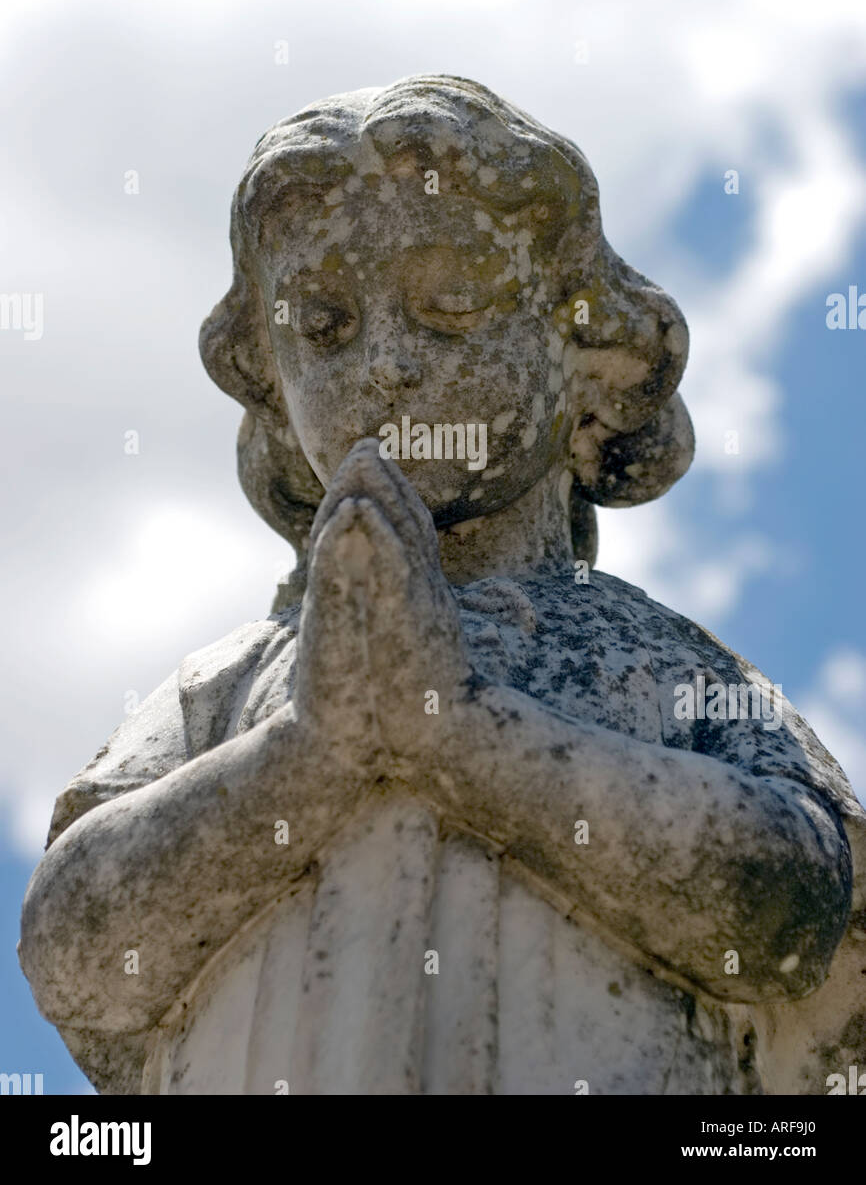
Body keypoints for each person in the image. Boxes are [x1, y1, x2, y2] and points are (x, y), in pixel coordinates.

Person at [20, 76, 866, 1095]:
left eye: (452, 304)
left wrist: (458, 737)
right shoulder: (237, 681)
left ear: (587, 354)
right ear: (275, 394)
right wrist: (313, 751)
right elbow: (77, 949)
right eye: (324, 325)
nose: (383, 365)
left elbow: (790, 907)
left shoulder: (648, 657)